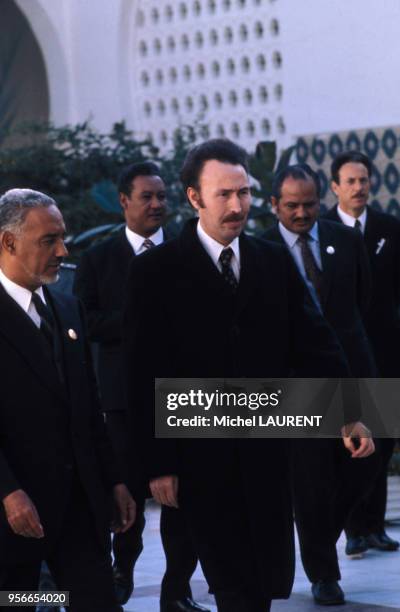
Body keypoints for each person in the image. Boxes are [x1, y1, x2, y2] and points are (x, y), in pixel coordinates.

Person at [123, 139, 372, 612]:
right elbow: (142, 371)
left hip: (267, 455)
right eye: (224, 194)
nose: (237, 206)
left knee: (266, 582)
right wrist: (157, 464)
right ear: (194, 197)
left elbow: (318, 343)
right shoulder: (156, 272)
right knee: (232, 583)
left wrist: (350, 413)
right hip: (200, 457)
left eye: (244, 193)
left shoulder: (271, 260)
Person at [74, 162, 208, 612]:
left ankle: (177, 591)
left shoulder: (189, 253)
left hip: (182, 397)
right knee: (128, 497)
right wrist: (138, 325)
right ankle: (122, 570)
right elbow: (86, 321)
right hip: (123, 403)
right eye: (146, 197)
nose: (156, 205)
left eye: (162, 197)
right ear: (124, 201)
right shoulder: (97, 259)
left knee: (182, 501)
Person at [0, 189, 135, 612]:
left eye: (63, 238)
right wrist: (8, 491)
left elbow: (88, 404)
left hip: (80, 507)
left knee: (94, 602)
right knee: (19, 603)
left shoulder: (68, 306)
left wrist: (113, 479)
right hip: (15, 515)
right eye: (48, 240)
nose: (63, 250)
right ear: (8, 242)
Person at [264, 163, 379, 605]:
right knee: (310, 483)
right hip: (298, 385)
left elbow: (362, 302)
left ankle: (319, 537)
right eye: (291, 205)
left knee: (368, 462)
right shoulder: (262, 251)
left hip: (354, 374)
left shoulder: (346, 240)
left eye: (310, 204)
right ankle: (323, 573)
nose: (302, 213)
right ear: (274, 205)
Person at [325, 151, 400, 556]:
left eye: (364, 180)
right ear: (335, 186)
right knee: (353, 440)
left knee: (386, 439)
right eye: (350, 181)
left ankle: (375, 526)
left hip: (387, 350)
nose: (359, 187)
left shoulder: (391, 229)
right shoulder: (321, 232)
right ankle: (353, 528)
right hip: (344, 354)